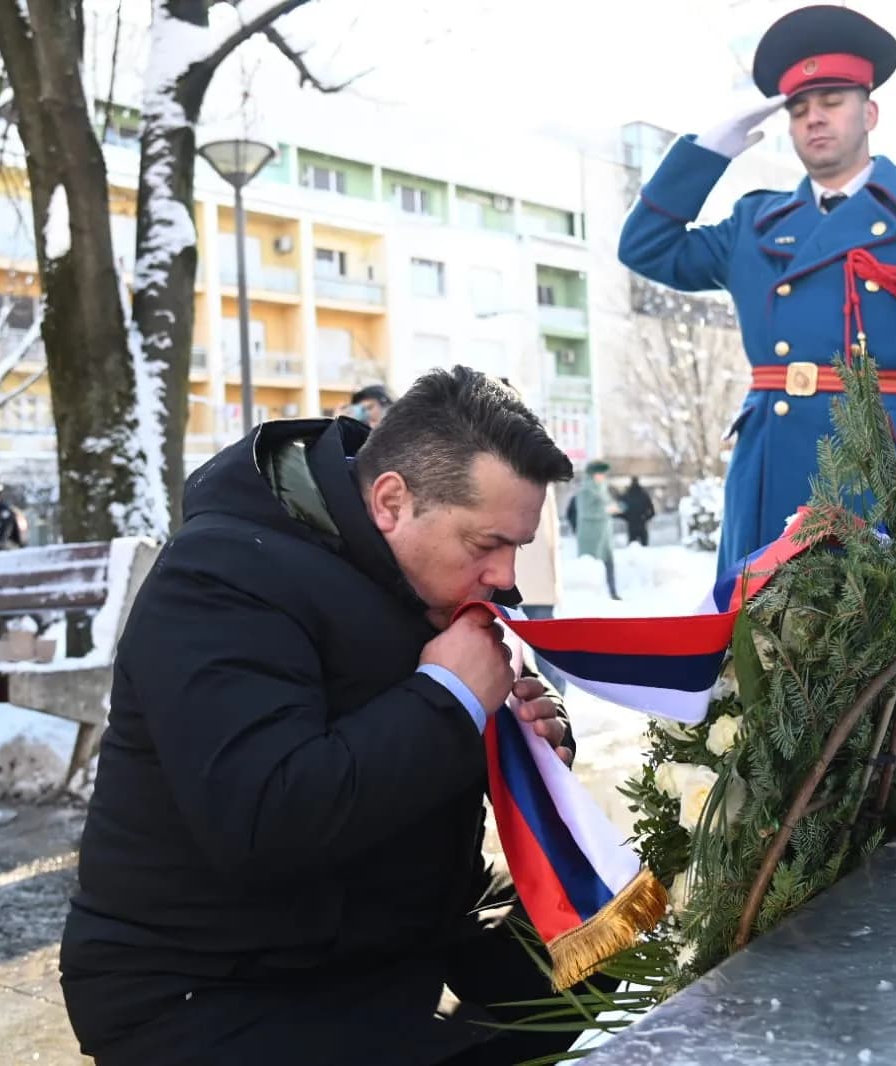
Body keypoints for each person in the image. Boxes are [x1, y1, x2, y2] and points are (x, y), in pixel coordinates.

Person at [60, 367, 586, 1066]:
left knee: (605, 937)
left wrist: (521, 732)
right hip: (213, 979)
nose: (506, 576)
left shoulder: (406, 566)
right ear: (391, 501)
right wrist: (449, 699)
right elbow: (263, 818)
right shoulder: (218, 577)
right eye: (485, 544)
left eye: (517, 546)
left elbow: (415, 737)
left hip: (394, 924)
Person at [617, 4, 896, 771]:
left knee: (888, 674)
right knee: (769, 675)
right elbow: (646, 247)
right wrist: (704, 152)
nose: (813, 119)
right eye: (798, 108)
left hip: (892, 471)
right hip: (774, 467)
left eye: (831, 101)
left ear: (870, 111)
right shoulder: (756, 224)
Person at [516, 489, 567, 695]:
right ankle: (556, 695)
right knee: (545, 641)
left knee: (503, 641)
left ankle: (553, 695)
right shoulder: (543, 481)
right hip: (535, 574)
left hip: (516, 572)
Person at [576, 460, 620, 599]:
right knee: (591, 567)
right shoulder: (585, 491)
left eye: (603, 474)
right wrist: (605, 511)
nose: (602, 477)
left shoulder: (603, 490)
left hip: (605, 535)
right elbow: (585, 512)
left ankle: (613, 592)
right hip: (591, 535)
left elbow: (608, 505)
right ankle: (592, 595)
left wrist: (616, 507)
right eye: (599, 474)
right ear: (592, 475)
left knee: (609, 563)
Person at [620, 476, 656, 546]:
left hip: (631, 525)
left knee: (632, 547)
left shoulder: (627, 496)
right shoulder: (644, 495)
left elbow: (620, 510)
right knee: (644, 548)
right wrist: (645, 518)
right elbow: (652, 511)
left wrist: (627, 518)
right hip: (642, 523)